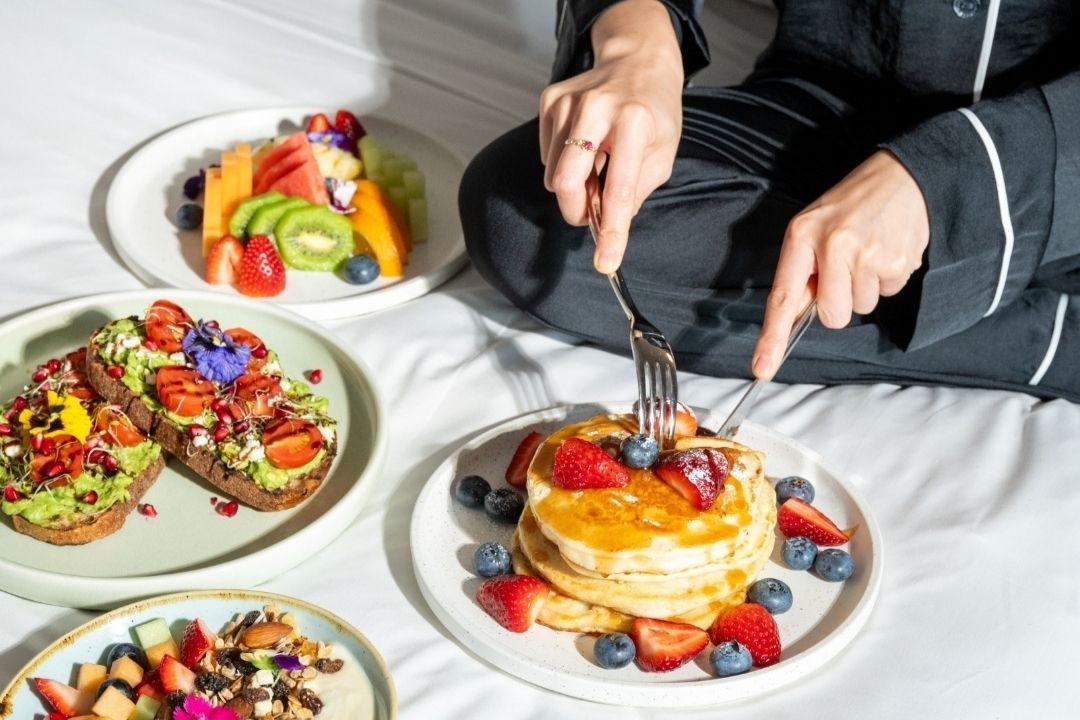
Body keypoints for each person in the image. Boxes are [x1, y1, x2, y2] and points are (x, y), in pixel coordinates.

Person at [460, 0, 1080, 401]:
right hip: (822, 101)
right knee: (525, 215)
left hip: (1056, 163)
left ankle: (1049, 336)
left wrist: (950, 181)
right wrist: (636, 39)